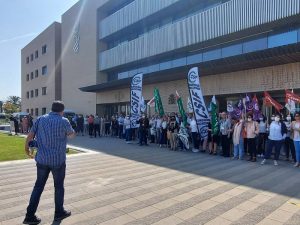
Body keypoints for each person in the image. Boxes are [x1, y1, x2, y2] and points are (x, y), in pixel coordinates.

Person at [23, 101, 75, 225]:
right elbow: (71, 135)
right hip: (58, 160)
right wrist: (71, 132)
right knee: (59, 187)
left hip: (42, 159)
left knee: (38, 187)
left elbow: (30, 135)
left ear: (52, 109)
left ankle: (29, 216)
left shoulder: (40, 119)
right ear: (62, 111)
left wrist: (26, 148)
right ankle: (59, 213)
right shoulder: (64, 121)